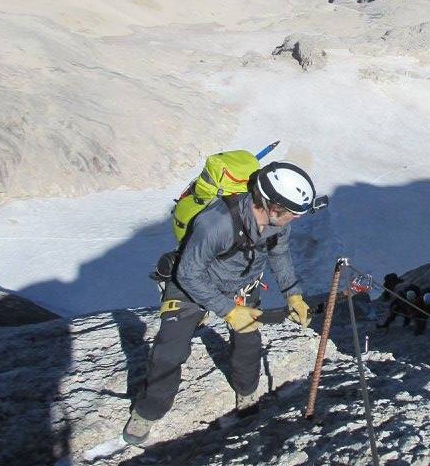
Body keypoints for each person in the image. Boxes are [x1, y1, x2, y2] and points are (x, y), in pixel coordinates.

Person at [123, 161, 319, 445]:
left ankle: (246, 391)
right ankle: (147, 411)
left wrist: (293, 294)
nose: (295, 220)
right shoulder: (217, 223)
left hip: (241, 285)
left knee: (248, 343)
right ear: (273, 207)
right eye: (293, 214)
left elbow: (280, 254)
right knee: (170, 350)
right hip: (192, 286)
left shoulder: (277, 225)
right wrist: (229, 311)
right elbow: (188, 273)